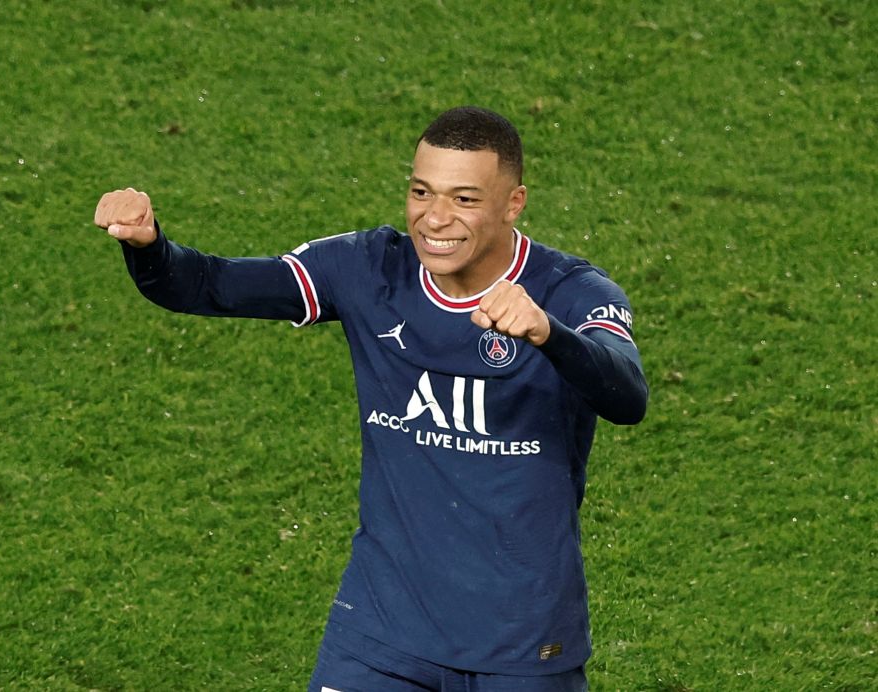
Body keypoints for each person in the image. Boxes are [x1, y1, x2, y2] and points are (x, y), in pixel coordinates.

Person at [94, 106, 647, 691]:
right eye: (420, 191)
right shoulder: (366, 268)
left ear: (513, 203)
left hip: (522, 643)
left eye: (464, 200)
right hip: (383, 632)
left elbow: (627, 395)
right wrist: (149, 247)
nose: (435, 219)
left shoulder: (571, 292)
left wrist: (547, 333)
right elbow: (211, 285)